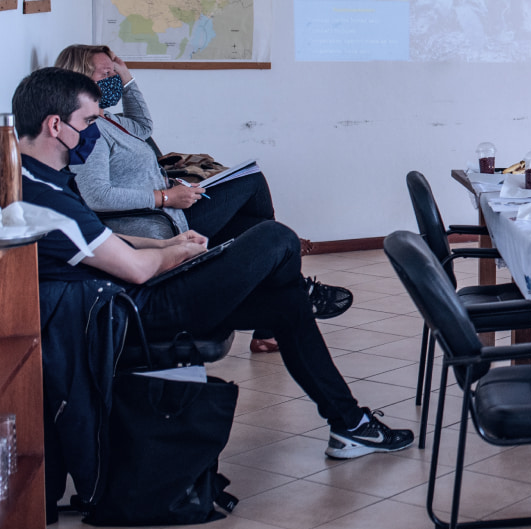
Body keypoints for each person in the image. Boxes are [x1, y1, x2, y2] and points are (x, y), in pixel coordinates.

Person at [14, 67, 413, 461]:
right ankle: (297, 292)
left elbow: (100, 239)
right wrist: (179, 253)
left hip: (121, 298)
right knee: (277, 238)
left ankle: (350, 425)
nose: (94, 130)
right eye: (88, 121)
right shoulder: (46, 199)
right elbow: (136, 269)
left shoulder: (35, 179)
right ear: (55, 125)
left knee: (286, 305)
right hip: (132, 311)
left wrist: (166, 241)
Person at [54, 44, 351, 353]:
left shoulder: (110, 120)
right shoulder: (90, 133)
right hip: (161, 224)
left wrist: (127, 79)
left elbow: (143, 125)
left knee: (253, 222)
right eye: (106, 73)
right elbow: (96, 196)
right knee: (252, 187)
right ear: (80, 79)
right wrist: (165, 196)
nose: (112, 78)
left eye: (114, 72)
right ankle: (289, 298)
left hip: (172, 208)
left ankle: (282, 302)